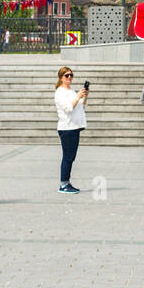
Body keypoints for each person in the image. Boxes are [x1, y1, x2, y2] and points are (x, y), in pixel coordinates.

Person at [54, 65, 88, 193]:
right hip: (66, 128)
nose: (69, 77)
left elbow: (80, 107)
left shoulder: (71, 91)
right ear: (61, 78)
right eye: (66, 75)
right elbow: (68, 108)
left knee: (71, 157)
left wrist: (84, 96)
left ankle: (67, 182)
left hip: (75, 127)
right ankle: (63, 184)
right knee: (68, 157)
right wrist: (78, 96)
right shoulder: (60, 92)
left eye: (71, 75)